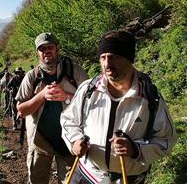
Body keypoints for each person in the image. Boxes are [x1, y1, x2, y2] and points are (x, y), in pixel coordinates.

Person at [60, 30, 177, 184]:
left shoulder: (149, 97)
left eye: (114, 57)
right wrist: (75, 141)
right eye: (103, 57)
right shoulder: (88, 90)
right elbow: (68, 120)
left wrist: (135, 149)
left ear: (129, 59)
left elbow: (166, 140)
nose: (107, 64)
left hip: (128, 179)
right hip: (88, 175)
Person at [15, 32, 88, 184]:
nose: (46, 51)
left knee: (72, 181)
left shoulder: (75, 72)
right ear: (38, 52)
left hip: (70, 140)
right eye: (42, 48)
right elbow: (21, 111)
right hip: (40, 140)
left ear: (57, 49)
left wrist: (66, 97)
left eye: (50, 47)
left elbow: (92, 104)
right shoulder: (31, 77)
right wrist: (41, 95)